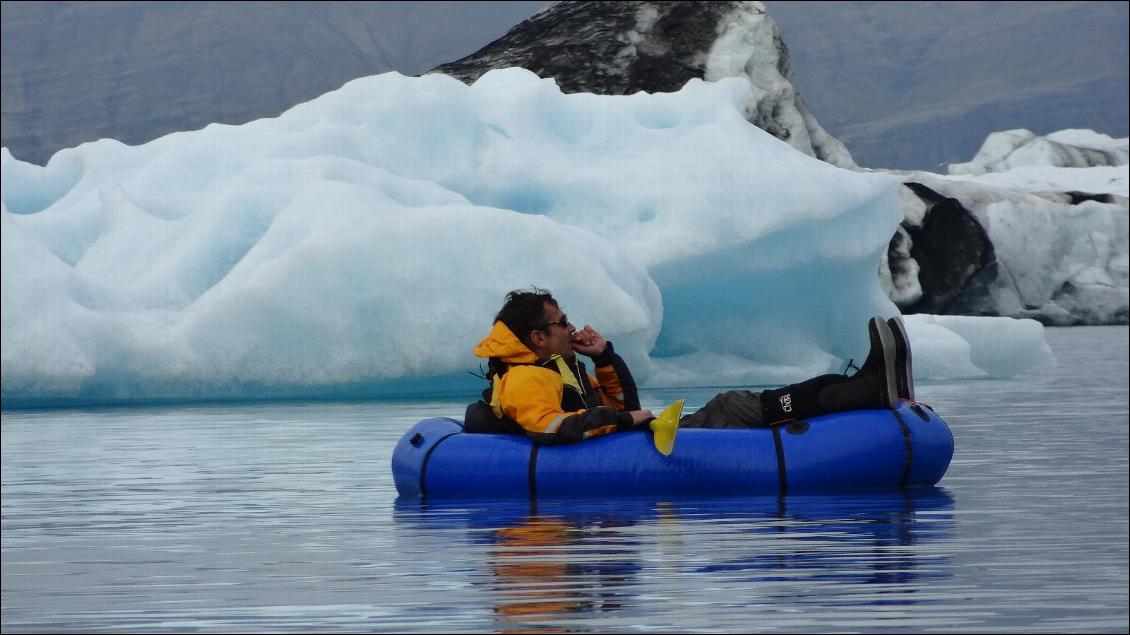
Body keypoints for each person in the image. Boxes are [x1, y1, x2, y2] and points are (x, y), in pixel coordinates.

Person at [466, 287, 914, 443]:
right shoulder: (524, 378)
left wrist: (604, 357)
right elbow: (552, 430)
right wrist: (622, 421)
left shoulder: (558, 367)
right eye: (560, 322)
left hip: (623, 439)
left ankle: (863, 385)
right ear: (537, 338)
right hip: (619, 448)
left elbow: (625, 404)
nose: (570, 327)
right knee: (730, 406)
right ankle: (867, 389)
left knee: (730, 404)